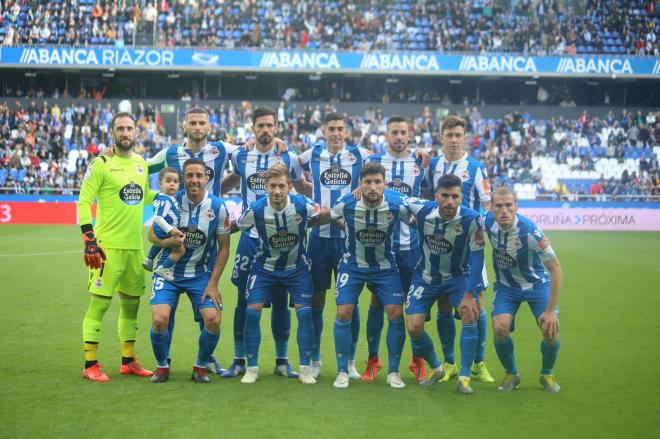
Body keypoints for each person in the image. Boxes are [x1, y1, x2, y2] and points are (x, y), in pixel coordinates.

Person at [221, 106, 312, 378]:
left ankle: (282, 360)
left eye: (269, 125)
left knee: (282, 299)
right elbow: (229, 177)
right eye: (259, 125)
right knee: (243, 301)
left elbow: (304, 186)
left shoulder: (289, 156)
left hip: (282, 240)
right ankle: (240, 359)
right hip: (250, 238)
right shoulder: (240, 154)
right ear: (252, 128)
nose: (265, 130)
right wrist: (213, 198)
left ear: (276, 127)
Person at [77, 112, 155, 382]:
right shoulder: (100, 164)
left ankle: (128, 360)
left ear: (136, 132)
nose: (125, 133)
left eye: (129, 128)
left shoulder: (141, 163)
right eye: (120, 128)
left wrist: (170, 193)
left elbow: (143, 198)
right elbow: (84, 202)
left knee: (132, 306)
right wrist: (89, 239)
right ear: (112, 133)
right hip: (106, 249)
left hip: (135, 248)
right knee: (99, 305)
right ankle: (90, 364)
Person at [236, 164, 330, 384]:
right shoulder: (256, 209)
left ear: (289, 186)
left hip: (296, 269)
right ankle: (252, 367)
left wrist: (314, 222)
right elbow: (238, 225)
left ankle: (305, 368)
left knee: (305, 314)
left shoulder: (301, 205)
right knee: (251, 313)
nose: (277, 191)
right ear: (266, 187)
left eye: (281, 186)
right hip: (264, 268)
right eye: (272, 186)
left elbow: (324, 214)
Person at [298, 112, 373, 380]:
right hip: (319, 239)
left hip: (348, 241)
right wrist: (310, 193)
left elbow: (380, 171)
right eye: (332, 129)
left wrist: (362, 189)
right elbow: (292, 170)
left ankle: (351, 361)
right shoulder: (312, 155)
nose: (336, 133)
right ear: (323, 130)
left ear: (347, 131)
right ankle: (315, 359)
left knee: (350, 303)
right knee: (316, 299)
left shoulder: (360, 155)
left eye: (341, 128)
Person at [148, 158, 231, 383]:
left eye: (198, 175)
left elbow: (224, 247)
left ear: (206, 178)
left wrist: (213, 283)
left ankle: (200, 366)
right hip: (169, 272)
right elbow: (152, 235)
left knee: (213, 319)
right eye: (189, 176)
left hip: (201, 274)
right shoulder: (171, 200)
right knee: (160, 320)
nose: (194, 180)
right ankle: (162, 366)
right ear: (183, 179)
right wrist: (167, 244)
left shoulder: (217, 206)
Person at [426, 114, 494, 384]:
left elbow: (487, 206)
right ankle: (450, 362)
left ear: (464, 138)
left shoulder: (476, 168)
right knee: (444, 303)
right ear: (441, 137)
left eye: (458, 135)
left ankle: (479, 362)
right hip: (440, 247)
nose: (453, 140)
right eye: (449, 135)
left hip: (468, 249)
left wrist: (484, 230)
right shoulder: (432, 165)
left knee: (476, 303)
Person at [330, 163, 410, 389]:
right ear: (360, 185)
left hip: (385, 266)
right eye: (368, 182)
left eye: (377, 182)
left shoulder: (396, 204)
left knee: (395, 313)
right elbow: (329, 216)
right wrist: (346, 226)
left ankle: (394, 372)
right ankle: (342, 371)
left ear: (384, 184)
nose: (373, 187)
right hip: (353, 264)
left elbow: (416, 220)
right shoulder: (346, 204)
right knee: (344, 312)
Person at [360, 115, 428, 382]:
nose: (399, 137)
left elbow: (431, 198)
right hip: (382, 247)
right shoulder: (373, 163)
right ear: (386, 136)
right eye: (394, 133)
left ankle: (417, 361)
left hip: (411, 247)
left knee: (414, 307)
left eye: (403, 132)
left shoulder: (422, 163)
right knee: (378, 303)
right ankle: (373, 360)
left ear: (409, 135)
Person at [404, 174, 485, 394]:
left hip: (457, 278)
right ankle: (437, 368)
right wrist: (359, 191)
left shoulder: (472, 219)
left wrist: (470, 292)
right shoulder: (422, 209)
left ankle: (465, 376)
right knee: (414, 327)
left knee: (470, 313)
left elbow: (477, 258)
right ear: (437, 195)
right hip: (425, 277)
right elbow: (394, 197)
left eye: (455, 197)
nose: (450, 201)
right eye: (445, 196)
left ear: (461, 198)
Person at [484, 186, 562, 393]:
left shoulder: (531, 232)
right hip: (507, 287)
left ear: (516, 207)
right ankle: (511, 373)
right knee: (500, 328)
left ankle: (547, 374)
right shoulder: (487, 222)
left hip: (537, 285)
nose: (504, 210)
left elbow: (556, 270)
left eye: (509, 205)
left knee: (550, 330)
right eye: (498, 206)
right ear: (491, 208)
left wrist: (550, 310)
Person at [144, 167, 185, 281]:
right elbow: (158, 217)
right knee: (180, 250)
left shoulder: (163, 197)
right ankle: (164, 268)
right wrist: (171, 230)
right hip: (165, 229)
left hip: (161, 229)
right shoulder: (166, 200)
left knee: (159, 244)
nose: (172, 184)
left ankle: (149, 259)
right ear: (160, 184)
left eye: (175, 182)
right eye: (168, 181)